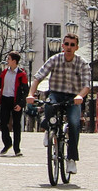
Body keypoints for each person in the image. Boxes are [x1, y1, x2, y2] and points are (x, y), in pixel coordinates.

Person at [28, 32, 91, 173]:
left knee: (74, 124)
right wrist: (31, 94)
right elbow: (38, 77)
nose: (69, 47)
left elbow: (87, 85)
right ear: (62, 46)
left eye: (72, 45)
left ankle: (71, 160)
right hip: (56, 93)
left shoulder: (82, 63)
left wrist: (80, 96)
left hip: (73, 97)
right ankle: (49, 128)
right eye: (67, 44)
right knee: (49, 104)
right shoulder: (55, 59)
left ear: (76, 47)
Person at [0, 51, 30, 156]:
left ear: (14, 61)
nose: (7, 61)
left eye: (9, 59)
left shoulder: (21, 74)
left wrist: (21, 104)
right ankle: (7, 143)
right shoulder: (4, 72)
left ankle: (17, 148)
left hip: (16, 101)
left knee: (16, 125)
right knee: (3, 123)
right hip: (5, 99)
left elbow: (26, 91)